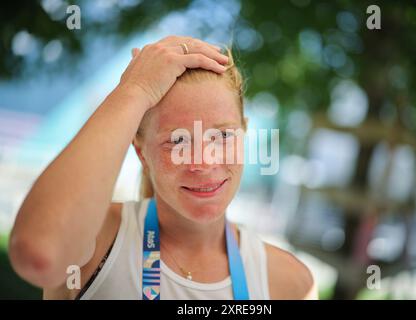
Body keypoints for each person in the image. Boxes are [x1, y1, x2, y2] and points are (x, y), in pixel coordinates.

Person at [8, 35, 317, 300]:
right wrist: (135, 90)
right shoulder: (101, 244)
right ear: (141, 152)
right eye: (178, 141)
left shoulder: (288, 283)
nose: (204, 161)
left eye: (223, 135)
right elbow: (39, 253)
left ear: (245, 133)